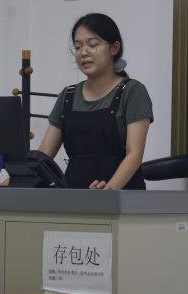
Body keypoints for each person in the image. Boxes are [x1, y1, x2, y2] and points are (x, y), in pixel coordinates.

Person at [38, 13, 153, 190]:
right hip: (74, 195)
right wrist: (15, 180)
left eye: (93, 45)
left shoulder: (132, 91)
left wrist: (109, 191)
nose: (84, 52)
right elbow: (43, 157)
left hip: (121, 197)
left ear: (114, 48)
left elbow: (134, 154)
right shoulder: (67, 96)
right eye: (78, 47)